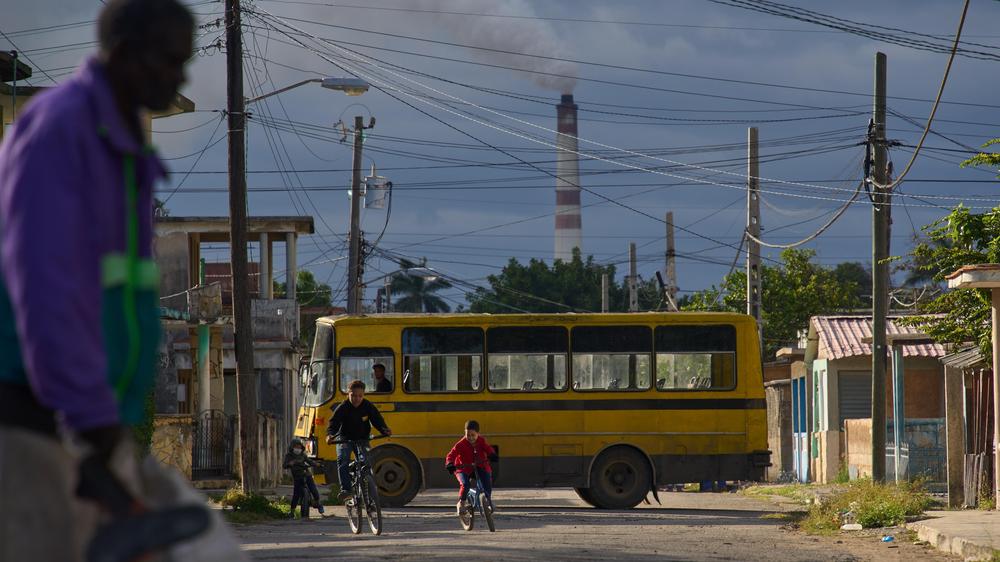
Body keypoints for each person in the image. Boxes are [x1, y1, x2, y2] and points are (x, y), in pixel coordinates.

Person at [0, 1, 247, 560]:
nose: (181, 76)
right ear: (124, 54)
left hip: (89, 426)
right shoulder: (60, 133)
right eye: (170, 60)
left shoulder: (123, 150)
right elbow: (46, 294)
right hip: (36, 420)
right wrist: (90, 423)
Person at [325, 380, 391, 500]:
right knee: (342, 460)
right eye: (354, 395)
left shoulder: (367, 406)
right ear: (348, 394)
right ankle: (346, 489)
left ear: (363, 395)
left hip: (362, 439)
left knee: (366, 461)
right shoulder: (343, 407)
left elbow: (377, 419)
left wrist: (384, 430)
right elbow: (333, 423)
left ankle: (370, 495)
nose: (357, 399)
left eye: (360, 396)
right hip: (344, 439)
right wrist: (330, 435)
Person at [445, 420, 498, 516]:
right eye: (467, 435)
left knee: (487, 481)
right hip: (463, 468)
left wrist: (492, 454)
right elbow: (451, 455)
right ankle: (461, 502)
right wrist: (449, 463)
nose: (470, 438)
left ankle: (487, 500)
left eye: (473, 435)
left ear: (478, 434)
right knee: (465, 485)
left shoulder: (481, 441)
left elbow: (488, 449)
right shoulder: (460, 444)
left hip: (479, 465)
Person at [283, 438, 325, 520]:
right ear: (292, 447)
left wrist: (317, 464)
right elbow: (284, 465)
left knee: (314, 490)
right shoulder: (289, 456)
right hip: (297, 477)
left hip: (307, 475)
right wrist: (290, 463)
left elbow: (310, 462)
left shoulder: (303, 455)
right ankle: (292, 512)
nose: (298, 448)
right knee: (296, 495)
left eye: (299, 447)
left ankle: (318, 503)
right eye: (296, 447)